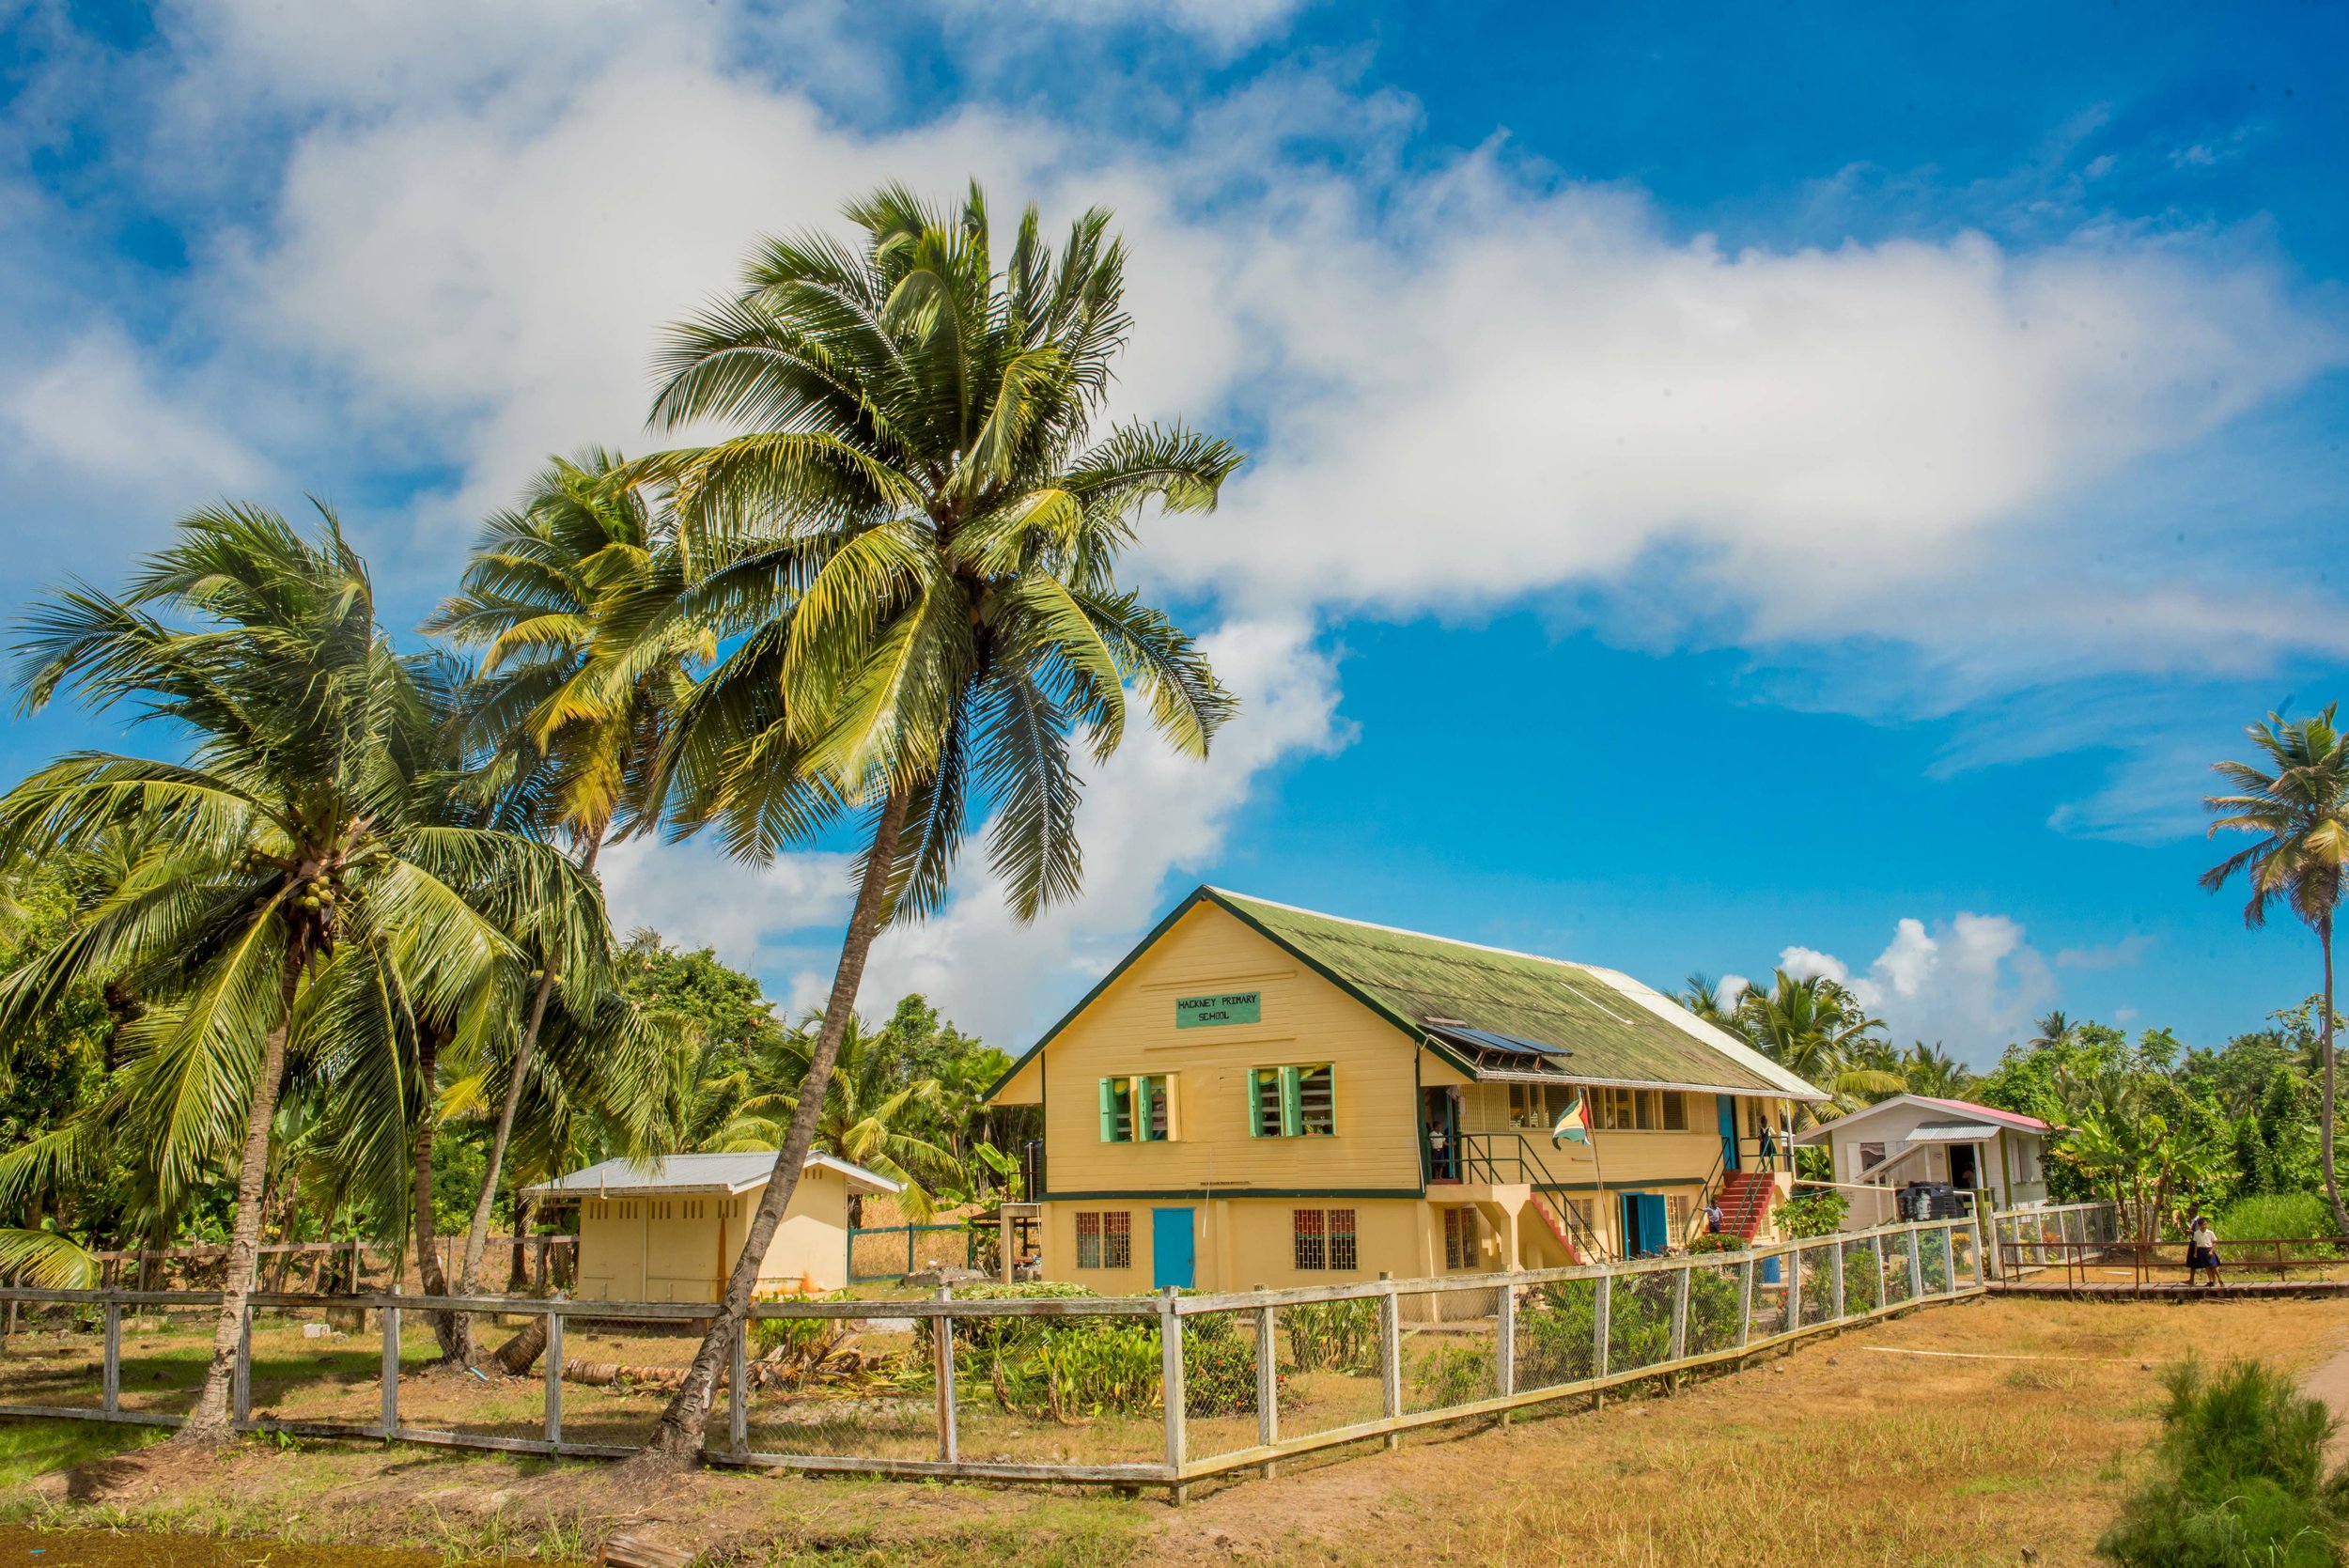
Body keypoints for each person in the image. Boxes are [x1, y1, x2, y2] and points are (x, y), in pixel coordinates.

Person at [2186, 1212, 2223, 1288]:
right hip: (2201, 1250)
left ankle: (2220, 1280)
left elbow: (2215, 1242)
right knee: (2207, 1266)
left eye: (2206, 1224)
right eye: (2204, 1224)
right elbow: (2196, 1243)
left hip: (2208, 1249)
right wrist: (2195, 1252)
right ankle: (2211, 1281)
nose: (2206, 1226)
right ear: (2200, 1225)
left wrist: (2211, 1251)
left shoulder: (2210, 1232)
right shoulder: (2196, 1233)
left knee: (2214, 1266)